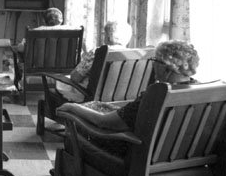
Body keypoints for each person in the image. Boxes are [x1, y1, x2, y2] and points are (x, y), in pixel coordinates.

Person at [59, 39, 198, 152]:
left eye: (155, 61)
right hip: (172, 156)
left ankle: (70, 170)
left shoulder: (155, 95)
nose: (153, 65)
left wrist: (73, 107)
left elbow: (103, 122)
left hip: (134, 154)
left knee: (77, 125)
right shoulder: (199, 91)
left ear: (166, 67)